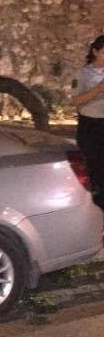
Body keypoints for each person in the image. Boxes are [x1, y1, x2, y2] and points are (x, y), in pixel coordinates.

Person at [74, 34, 104, 208]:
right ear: (95, 51)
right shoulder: (83, 74)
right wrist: (99, 88)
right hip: (90, 124)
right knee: (90, 164)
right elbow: (76, 101)